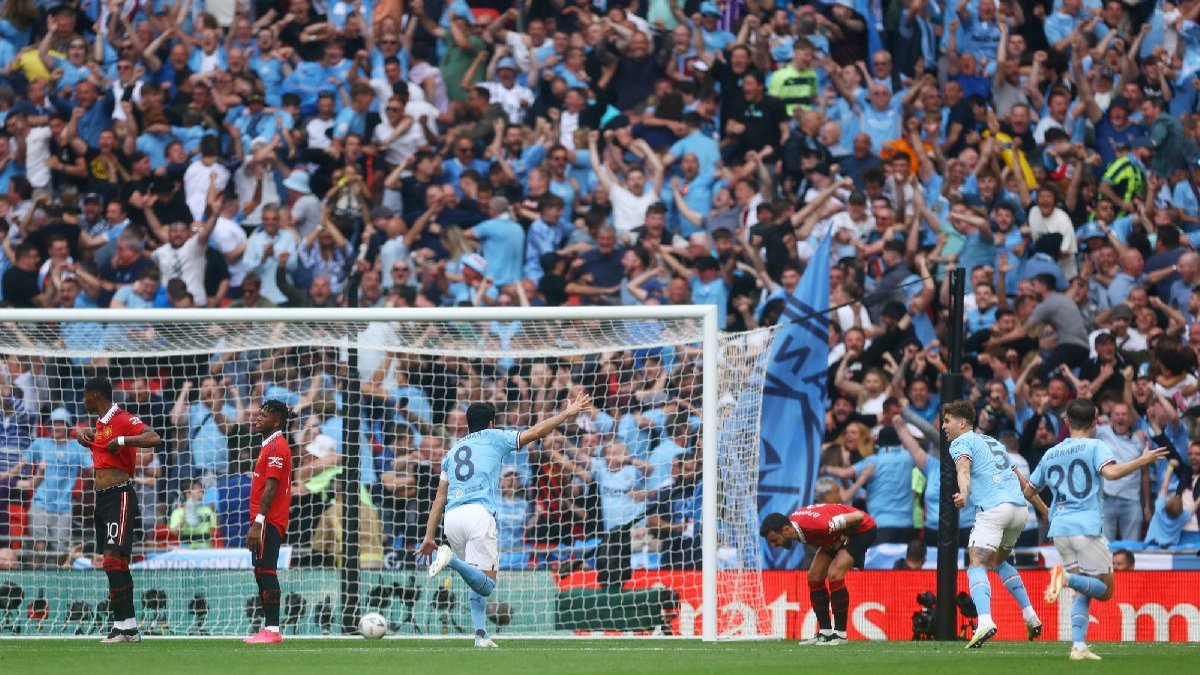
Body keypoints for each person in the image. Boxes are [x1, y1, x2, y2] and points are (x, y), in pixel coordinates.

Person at [420, 393, 592, 648]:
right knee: (487, 585)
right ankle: (451, 560)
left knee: (475, 579)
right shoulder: (494, 436)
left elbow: (439, 498)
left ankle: (481, 635)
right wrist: (566, 413)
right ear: (491, 423)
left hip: (452, 518)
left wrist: (428, 536)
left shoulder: (452, 452)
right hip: (478, 514)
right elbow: (535, 433)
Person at [1029, 400, 1166, 661]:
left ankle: (1078, 646)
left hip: (1060, 530)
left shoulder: (1050, 453)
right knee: (1105, 590)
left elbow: (1029, 490)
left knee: (1085, 588)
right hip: (1086, 527)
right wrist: (1142, 460)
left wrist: (1045, 509)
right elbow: (1111, 473)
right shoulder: (1096, 445)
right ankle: (1064, 579)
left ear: (1066, 422)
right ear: (1095, 422)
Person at [942, 399, 1043, 648]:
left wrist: (963, 493)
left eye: (947, 421)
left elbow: (963, 470)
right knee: (997, 562)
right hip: (1019, 511)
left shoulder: (960, 442)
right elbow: (1023, 482)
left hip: (994, 509)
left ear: (962, 423)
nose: (943, 426)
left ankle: (985, 621)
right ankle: (1030, 615)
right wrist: (1045, 510)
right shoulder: (994, 442)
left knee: (976, 563)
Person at [76, 377, 162, 643]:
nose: (83, 400)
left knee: (113, 561)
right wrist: (85, 437)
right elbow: (103, 447)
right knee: (117, 563)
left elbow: (154, 437)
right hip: (102, 499)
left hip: (120, 496)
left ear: (95, 396)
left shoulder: (122, 418)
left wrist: (123, 440)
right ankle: (129, 628)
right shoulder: (100, 424)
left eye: (85, 395)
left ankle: (120, 627)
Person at [760, 503, 878, 645]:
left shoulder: (819, 526)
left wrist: (843, 537)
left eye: (774, 540)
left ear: (786, 530)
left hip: (863, 530)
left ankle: (840, 635)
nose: (773, 545)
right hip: (836, 536)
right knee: (814, 577)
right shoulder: (795, 527)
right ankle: (825, 633)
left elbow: (859, 516)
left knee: (834, 574)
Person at [243, 399, 295, 645]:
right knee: (260, 571)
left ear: (276, 421)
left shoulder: (276, 446)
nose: (258, 418)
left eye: (263, 415)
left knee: (267, 571)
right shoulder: (269, 445)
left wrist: (259, 522)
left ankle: (273, 630)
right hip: (263, 519)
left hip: (269, 520)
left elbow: (272, 487)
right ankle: (268, 628)